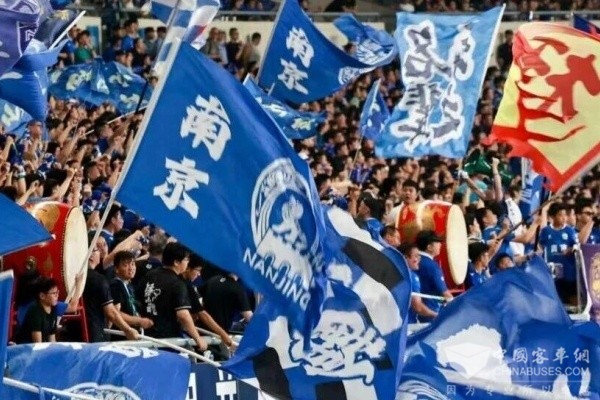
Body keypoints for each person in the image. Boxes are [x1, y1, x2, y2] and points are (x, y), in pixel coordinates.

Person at [136, 242, 208, 350]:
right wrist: (198, 338)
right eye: (186, 259)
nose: (188, 262)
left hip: (145, 337)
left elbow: (137, 299)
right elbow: (183, 315)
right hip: (167, 341)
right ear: (176, 262)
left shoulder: (150, 275)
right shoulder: (178, 283)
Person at [83, 243, 139, 342]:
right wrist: (128, 329)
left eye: (132, 264)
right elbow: (111, 313)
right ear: (90, 256)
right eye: (97, 249)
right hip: (97, 334)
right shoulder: (102, 280)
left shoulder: (79, 277)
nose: (100, 252)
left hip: (84, 332)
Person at [182, 255, 235, 350]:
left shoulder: (189, 286)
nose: (199, 274)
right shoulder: (183, 286)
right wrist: (224, 335)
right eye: (197, 270)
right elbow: (202, 314)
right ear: (188, 268)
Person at [110, 251, 154, 333]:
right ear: (116, 269)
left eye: (133, 264)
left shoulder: (129, 284)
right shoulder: (115, 285)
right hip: (122, 334)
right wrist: (138, 321)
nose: (131, 268)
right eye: (125, 265)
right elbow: (115, 313)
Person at [415, 230, 453, 321]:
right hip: (431, 312)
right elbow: (444, 292)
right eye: (437, 242)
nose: (440, 245)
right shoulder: (432, 266)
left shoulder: (415, 261)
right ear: (429, 247)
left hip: (416, 312)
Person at [15, 277, 61, 343]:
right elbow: (37, 344)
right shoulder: (35, 311)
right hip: (25, 346)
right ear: (42, 296)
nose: (57, 295)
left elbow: (52, 340)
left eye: (57, 292)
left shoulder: (53, 309)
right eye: (54, 293)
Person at [399, 243, 437, 323]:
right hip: (408, 325)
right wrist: (436, 315)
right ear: (405, 258)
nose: (419, 259)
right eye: (416, 256)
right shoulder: (412, 277)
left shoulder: (392, 275)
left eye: (419, 256)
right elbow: (418, 307)